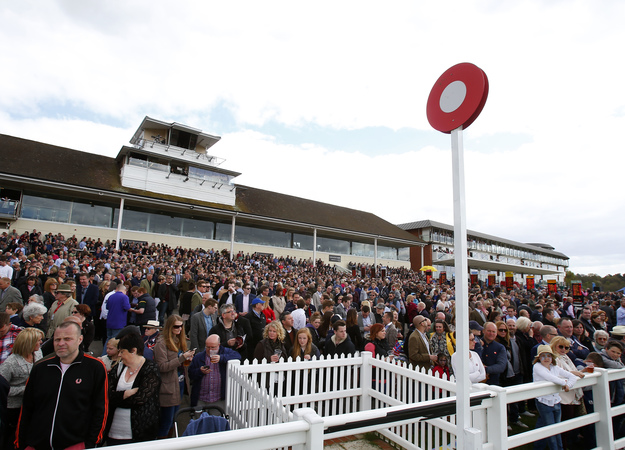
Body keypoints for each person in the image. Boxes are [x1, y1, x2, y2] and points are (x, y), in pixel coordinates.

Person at [17, 321, 108, 449]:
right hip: (36, 444)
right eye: (57, 339)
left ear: (80, 339)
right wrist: (22, 444)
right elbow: (27, 408)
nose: (61, 343)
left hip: (74, 444)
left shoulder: (94, 368)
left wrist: (91, 443)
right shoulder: (41, 368)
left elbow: (100, 409)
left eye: (67, 339)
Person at [105, 332, 161, 445]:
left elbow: (140, 399)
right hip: (113, 432)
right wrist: (125, 394)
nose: (119, 355)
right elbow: (106, 395)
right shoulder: (118, 368)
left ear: (133, 351)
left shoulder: (151, 369)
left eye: (122, 351)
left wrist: (116, 398)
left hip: (140, 434)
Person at [0, 327, 44, 449]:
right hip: (13, 408)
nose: (41, 342)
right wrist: (27, 389)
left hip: (31, 403)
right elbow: (2, 389)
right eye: (38, 340)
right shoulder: (10, 363)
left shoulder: (38, 353)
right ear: (29, 343)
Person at [154, 314, 195, 439]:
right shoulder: (161, 344)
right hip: (167, 386)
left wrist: (188, 358)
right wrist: (181, 358)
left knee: (174, 420)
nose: (180, 329)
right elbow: (162, 367)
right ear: (169, 327)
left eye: (181, 326)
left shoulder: (179, 340)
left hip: (180, 383)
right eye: (176, 326)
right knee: (166, 422)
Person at [532, 344, 579, 450]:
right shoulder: (537, 367)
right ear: (539, 358)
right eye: (543, 356)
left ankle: (543, 447)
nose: (546, 358)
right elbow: (549, 377)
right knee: (551, 430)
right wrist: (564, 383)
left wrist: (569, 385)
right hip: (544, 401)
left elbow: (572, 376)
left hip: (556, 400)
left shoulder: (555, 367)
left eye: (548, 356)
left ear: (552, 357)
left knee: (556, 428)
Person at [550, 336, 586, 449]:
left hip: (572, 395)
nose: (563, 349)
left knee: (570, 424)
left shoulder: (566, 357)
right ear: (554, 346)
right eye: (561, 347)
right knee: (564, 424)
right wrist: (574, 373)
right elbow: (558, 374)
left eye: (566, 347)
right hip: (563, 396)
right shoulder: (553, 358)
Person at [189, 334, 241, 409]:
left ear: (219, 345)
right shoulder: (199, 357)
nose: (210, 350)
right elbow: (190, 374)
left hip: (218, 399)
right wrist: (200, 371)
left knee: (216, 420)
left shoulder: (224, 351)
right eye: (207, 347)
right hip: (200, 398)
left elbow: (237, 356)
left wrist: (222, 358)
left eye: (213, 347)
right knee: (199, 420)